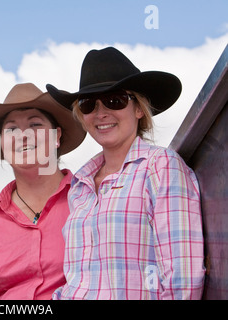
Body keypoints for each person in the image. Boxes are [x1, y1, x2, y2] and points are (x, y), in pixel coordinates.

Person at [46, 47, 206, 300]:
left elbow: (183, 279)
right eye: (89, 105)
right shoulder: (79, 186)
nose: (101, 113)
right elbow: (78, 280)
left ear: (139, 109)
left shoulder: (160, 167)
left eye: (115, 101)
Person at [0, 83, 86, 300]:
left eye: (35, 124)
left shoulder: (90, 200)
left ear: (56, 136)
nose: (23, 135)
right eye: (12, 129)